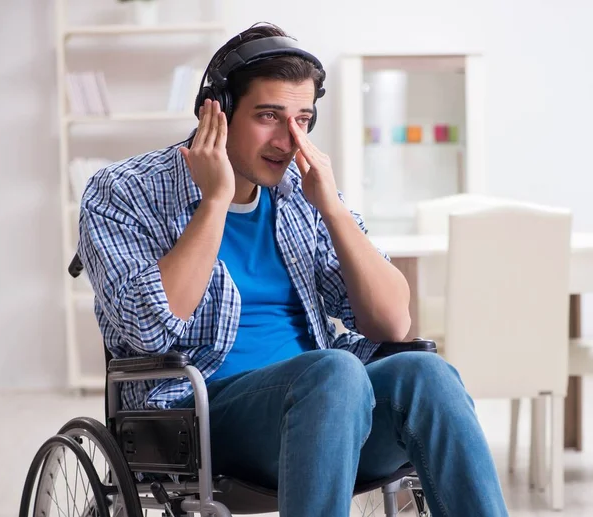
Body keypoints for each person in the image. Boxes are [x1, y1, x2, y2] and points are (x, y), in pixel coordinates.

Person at [78, 21, 510, 517]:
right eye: (269, 116)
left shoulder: (300, 195)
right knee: (335, 371)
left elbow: (393, 323)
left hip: (331, 410)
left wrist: (334, 210)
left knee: (426, 374)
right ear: (214, 111)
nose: (289, 140)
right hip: (198, 420)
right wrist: (215, 201)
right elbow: (150, 328)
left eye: (303, 119)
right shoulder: (123, 192)